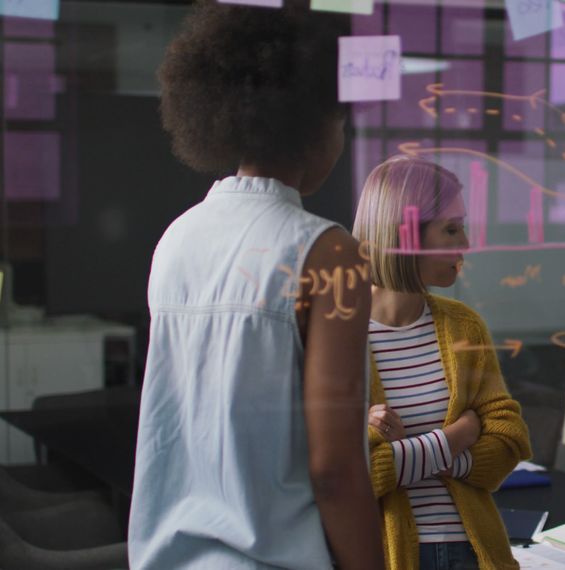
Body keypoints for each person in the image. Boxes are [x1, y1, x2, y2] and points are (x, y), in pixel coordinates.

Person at [128, 2, 383, 568]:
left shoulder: (177, 239)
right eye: (340, 122)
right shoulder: (329, 252)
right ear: (315, 123)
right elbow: (335, 467)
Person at [353, 155, 532, 570]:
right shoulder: (337, 334)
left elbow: (509, 438)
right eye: (451, 229)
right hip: (387, 556)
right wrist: (456, 436)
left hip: (473, 552)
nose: (465, 244)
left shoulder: (462, 325)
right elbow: (349, 474)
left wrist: (407, 454)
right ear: (404, 234)